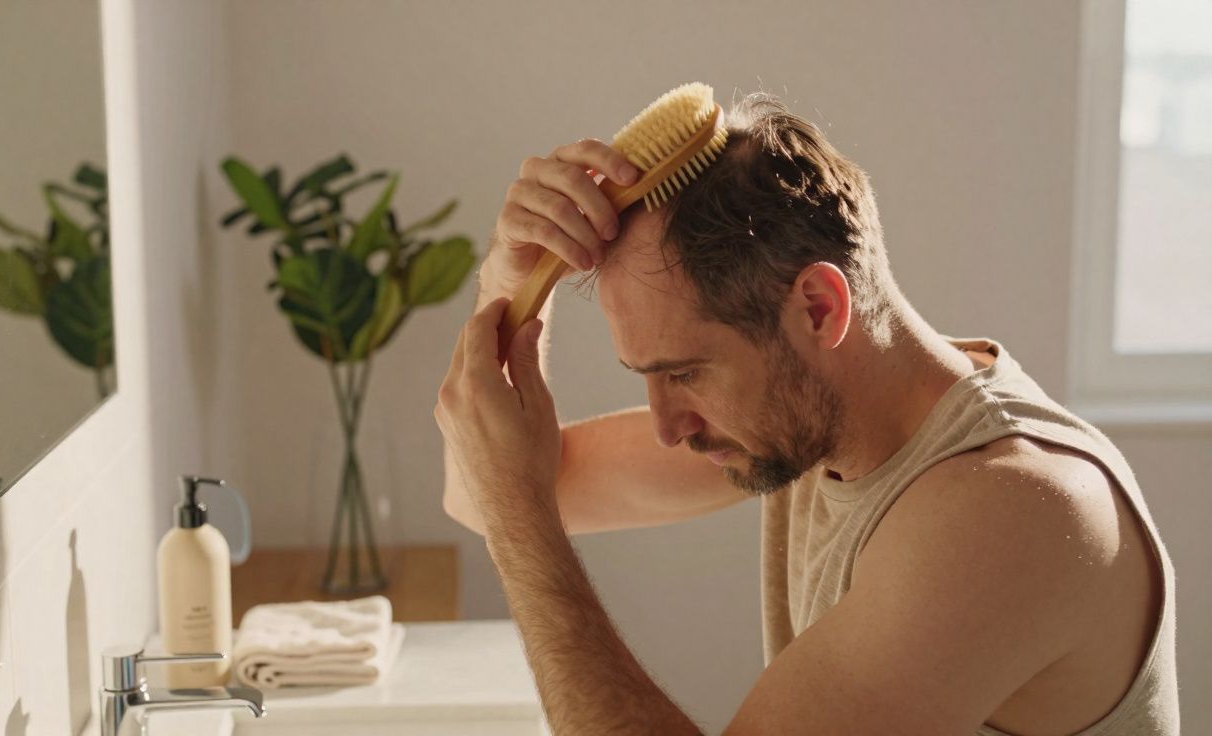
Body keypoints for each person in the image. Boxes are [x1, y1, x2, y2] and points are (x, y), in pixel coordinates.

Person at [433, 92, 1178, 735]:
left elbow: (514, 506)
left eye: (685, 373)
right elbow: (481, 494)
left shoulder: (1013, 509)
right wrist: (510, 279)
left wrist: (520, 512)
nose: (668, 425)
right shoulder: (804, 424)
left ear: (819, 309)